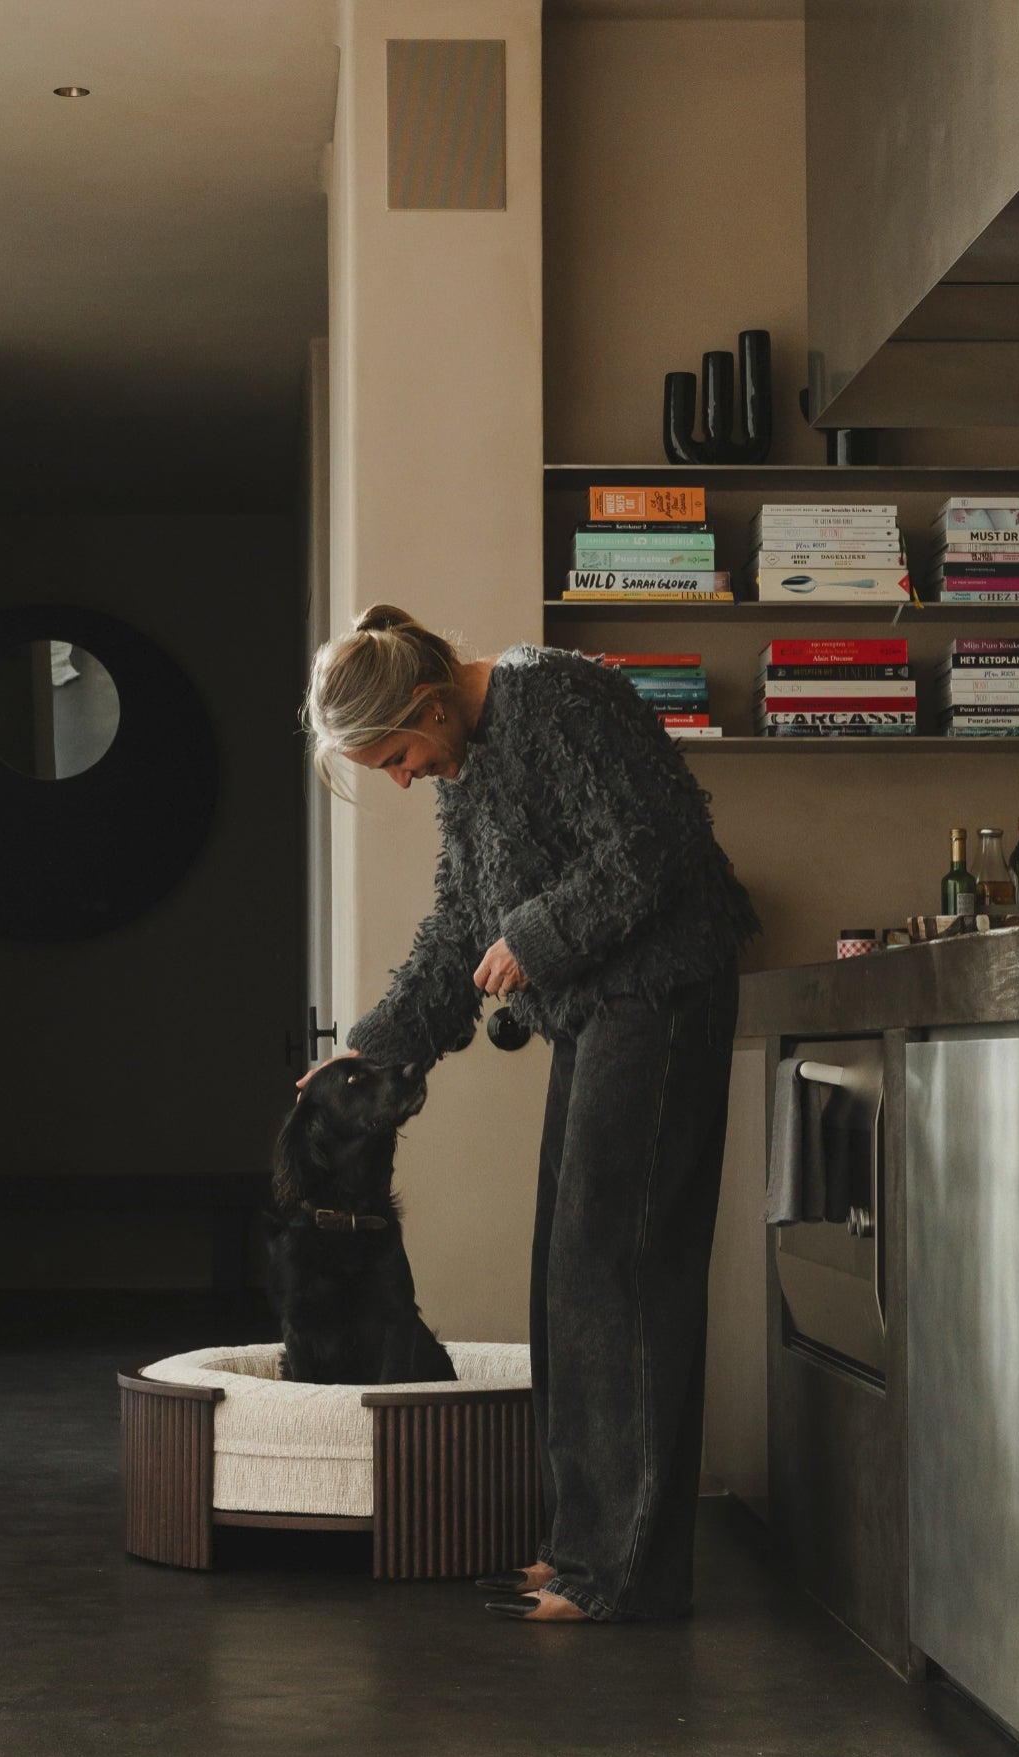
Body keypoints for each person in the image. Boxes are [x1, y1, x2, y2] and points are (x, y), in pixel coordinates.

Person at [299, 605, 757, 1623]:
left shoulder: (556, 693)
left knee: (617, 1273)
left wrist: (539, 934)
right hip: (601, 1007)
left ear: (427, 703)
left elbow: (659, 840)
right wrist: (372, 1045)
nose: (405, 775)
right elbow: (460, 921)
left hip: (662, 993)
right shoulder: (469, 766)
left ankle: (618, 1575)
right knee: (568, 1272)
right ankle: (582, 1546)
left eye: (398, 754)